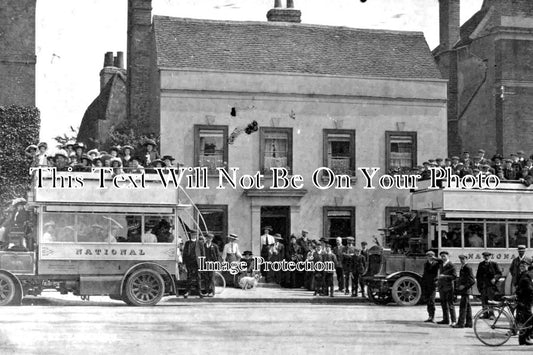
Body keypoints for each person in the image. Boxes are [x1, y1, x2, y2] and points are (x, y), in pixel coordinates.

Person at [476, 251, 502, 317]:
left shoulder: (494, 264)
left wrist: (495, 278)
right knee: (483, 300)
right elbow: (478, 276)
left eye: (487, 256)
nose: (486, 257)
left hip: (491, 286)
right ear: (483, 257)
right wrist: (479, 286)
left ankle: (491, 314)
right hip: (483, 286)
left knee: (490, 300)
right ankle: (485, 314)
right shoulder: (481, 264)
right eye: (485, 256)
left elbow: (499, 273)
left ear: (490, 257)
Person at [453, 255, 475, 328]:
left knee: (463, 307)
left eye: (463, 259)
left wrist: (464, 286)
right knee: (467, 307)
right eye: (461, 259)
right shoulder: (463, 267)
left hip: (466, 291)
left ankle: (460, 323)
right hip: (465, 291)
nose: (462, 260)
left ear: (467, 259)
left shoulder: (468, 268)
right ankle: (469, 323)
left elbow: (472, 280)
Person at [182, 230, 206, 298]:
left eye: (194, 235)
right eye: (192, 234)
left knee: (198, 277)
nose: (193, 236)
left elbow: (203, 253)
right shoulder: (187, 243)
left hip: (197, 262)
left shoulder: (200, 243)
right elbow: (184, 253)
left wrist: (202, 263)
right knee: (189, 277)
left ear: (196, 235)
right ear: (190, 235)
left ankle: (199, 292)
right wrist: (184, 263)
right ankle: (187, 292)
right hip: (189, 262)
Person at [436, 251, 457, 325]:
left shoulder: (451, 265)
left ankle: (454, 321)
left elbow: (454, 276)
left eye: (444, 256)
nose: (443, 258)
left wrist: (444, 276)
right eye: (441, 256)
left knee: (450, 304)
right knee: (443, 304)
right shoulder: (441, 264)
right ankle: (446, 320)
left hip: (449, 287)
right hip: (442, 287)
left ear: (448, 256)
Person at [515, 263, 533, 346]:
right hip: (524, 302)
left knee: (524, 321)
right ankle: (525, 338)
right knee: (528, 320)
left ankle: (523, 340)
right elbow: (529, 290)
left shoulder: (525, 275)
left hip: (523, 301)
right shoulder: (526, 277)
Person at [421, 251, 440, 322]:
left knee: (432, 301)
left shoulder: (436, 263)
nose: (429, 258)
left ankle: (432, 317)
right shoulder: (426, 264)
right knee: (428, 301)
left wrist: (435, 258)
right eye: (428, 256)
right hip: (426, 284)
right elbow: (425, 274)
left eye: (431, 256)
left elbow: (441, 261)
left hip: (433, 284)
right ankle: (430, 316)